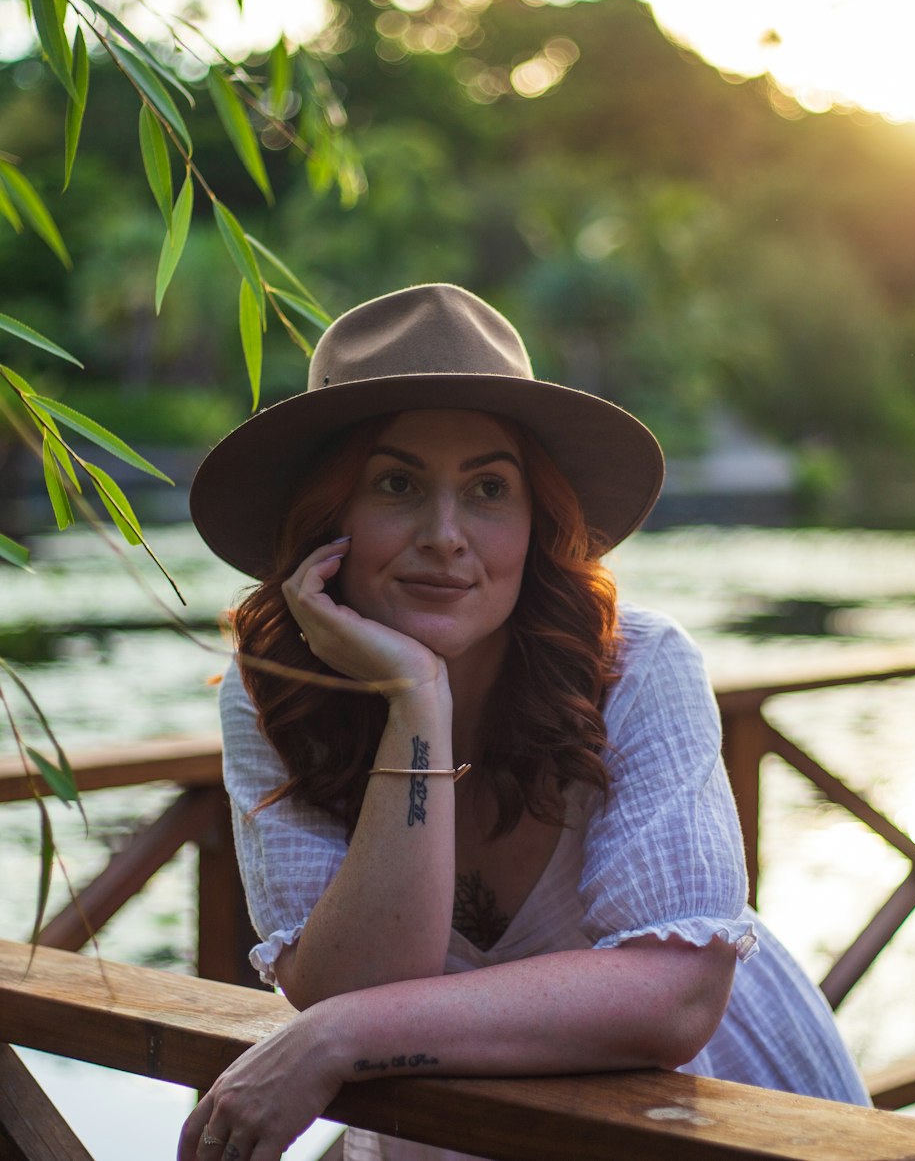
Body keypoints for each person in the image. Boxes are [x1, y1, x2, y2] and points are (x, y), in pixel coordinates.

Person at [181, 284, 869, 1161]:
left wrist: (339, 1040)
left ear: (536, 516)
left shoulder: (639, 668)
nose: (445, 534)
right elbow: (352, 985)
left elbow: (676, 999)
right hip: (455, 1124)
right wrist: (415, 704)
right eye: (396, 483)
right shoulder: (271, 693)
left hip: (714, 1111)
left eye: (487, 489)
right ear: (329, 517)